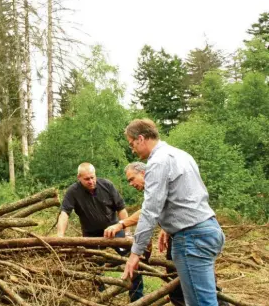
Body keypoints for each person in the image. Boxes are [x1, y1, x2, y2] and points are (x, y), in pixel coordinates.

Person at [120, 119, 225, 306]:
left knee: (202, 303)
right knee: (205, 299)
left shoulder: (158, 162)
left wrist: (135, 253)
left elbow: (150, 211)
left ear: (141, 139)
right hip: (209, 229)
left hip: (191, 237)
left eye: (131, 144)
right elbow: (186, 196)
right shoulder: (181, 155)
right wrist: (168, 228)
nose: (132, 150)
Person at [104, 162, 229, 306]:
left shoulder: (158, 183)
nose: (131, 184)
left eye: (132, 179)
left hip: (190, 237)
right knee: (189, 287)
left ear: (143, 173)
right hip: (189, 235)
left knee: (194, 289)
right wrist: (167, 228)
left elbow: (147, 213)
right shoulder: (159, 184)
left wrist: (121, 224)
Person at [57, 162, 144, 301]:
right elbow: (64, 213)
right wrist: (60, 236)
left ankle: (137, 298)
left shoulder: (107, 185)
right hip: (91, 235)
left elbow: (121, 208)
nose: (91, 181)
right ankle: (102, 299)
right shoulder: (73, 191)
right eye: (87, 179)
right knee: (94, 268)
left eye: (93, 177)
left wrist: (127, 232)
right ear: (79, 177)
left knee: (132, 255)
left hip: (114, 230)